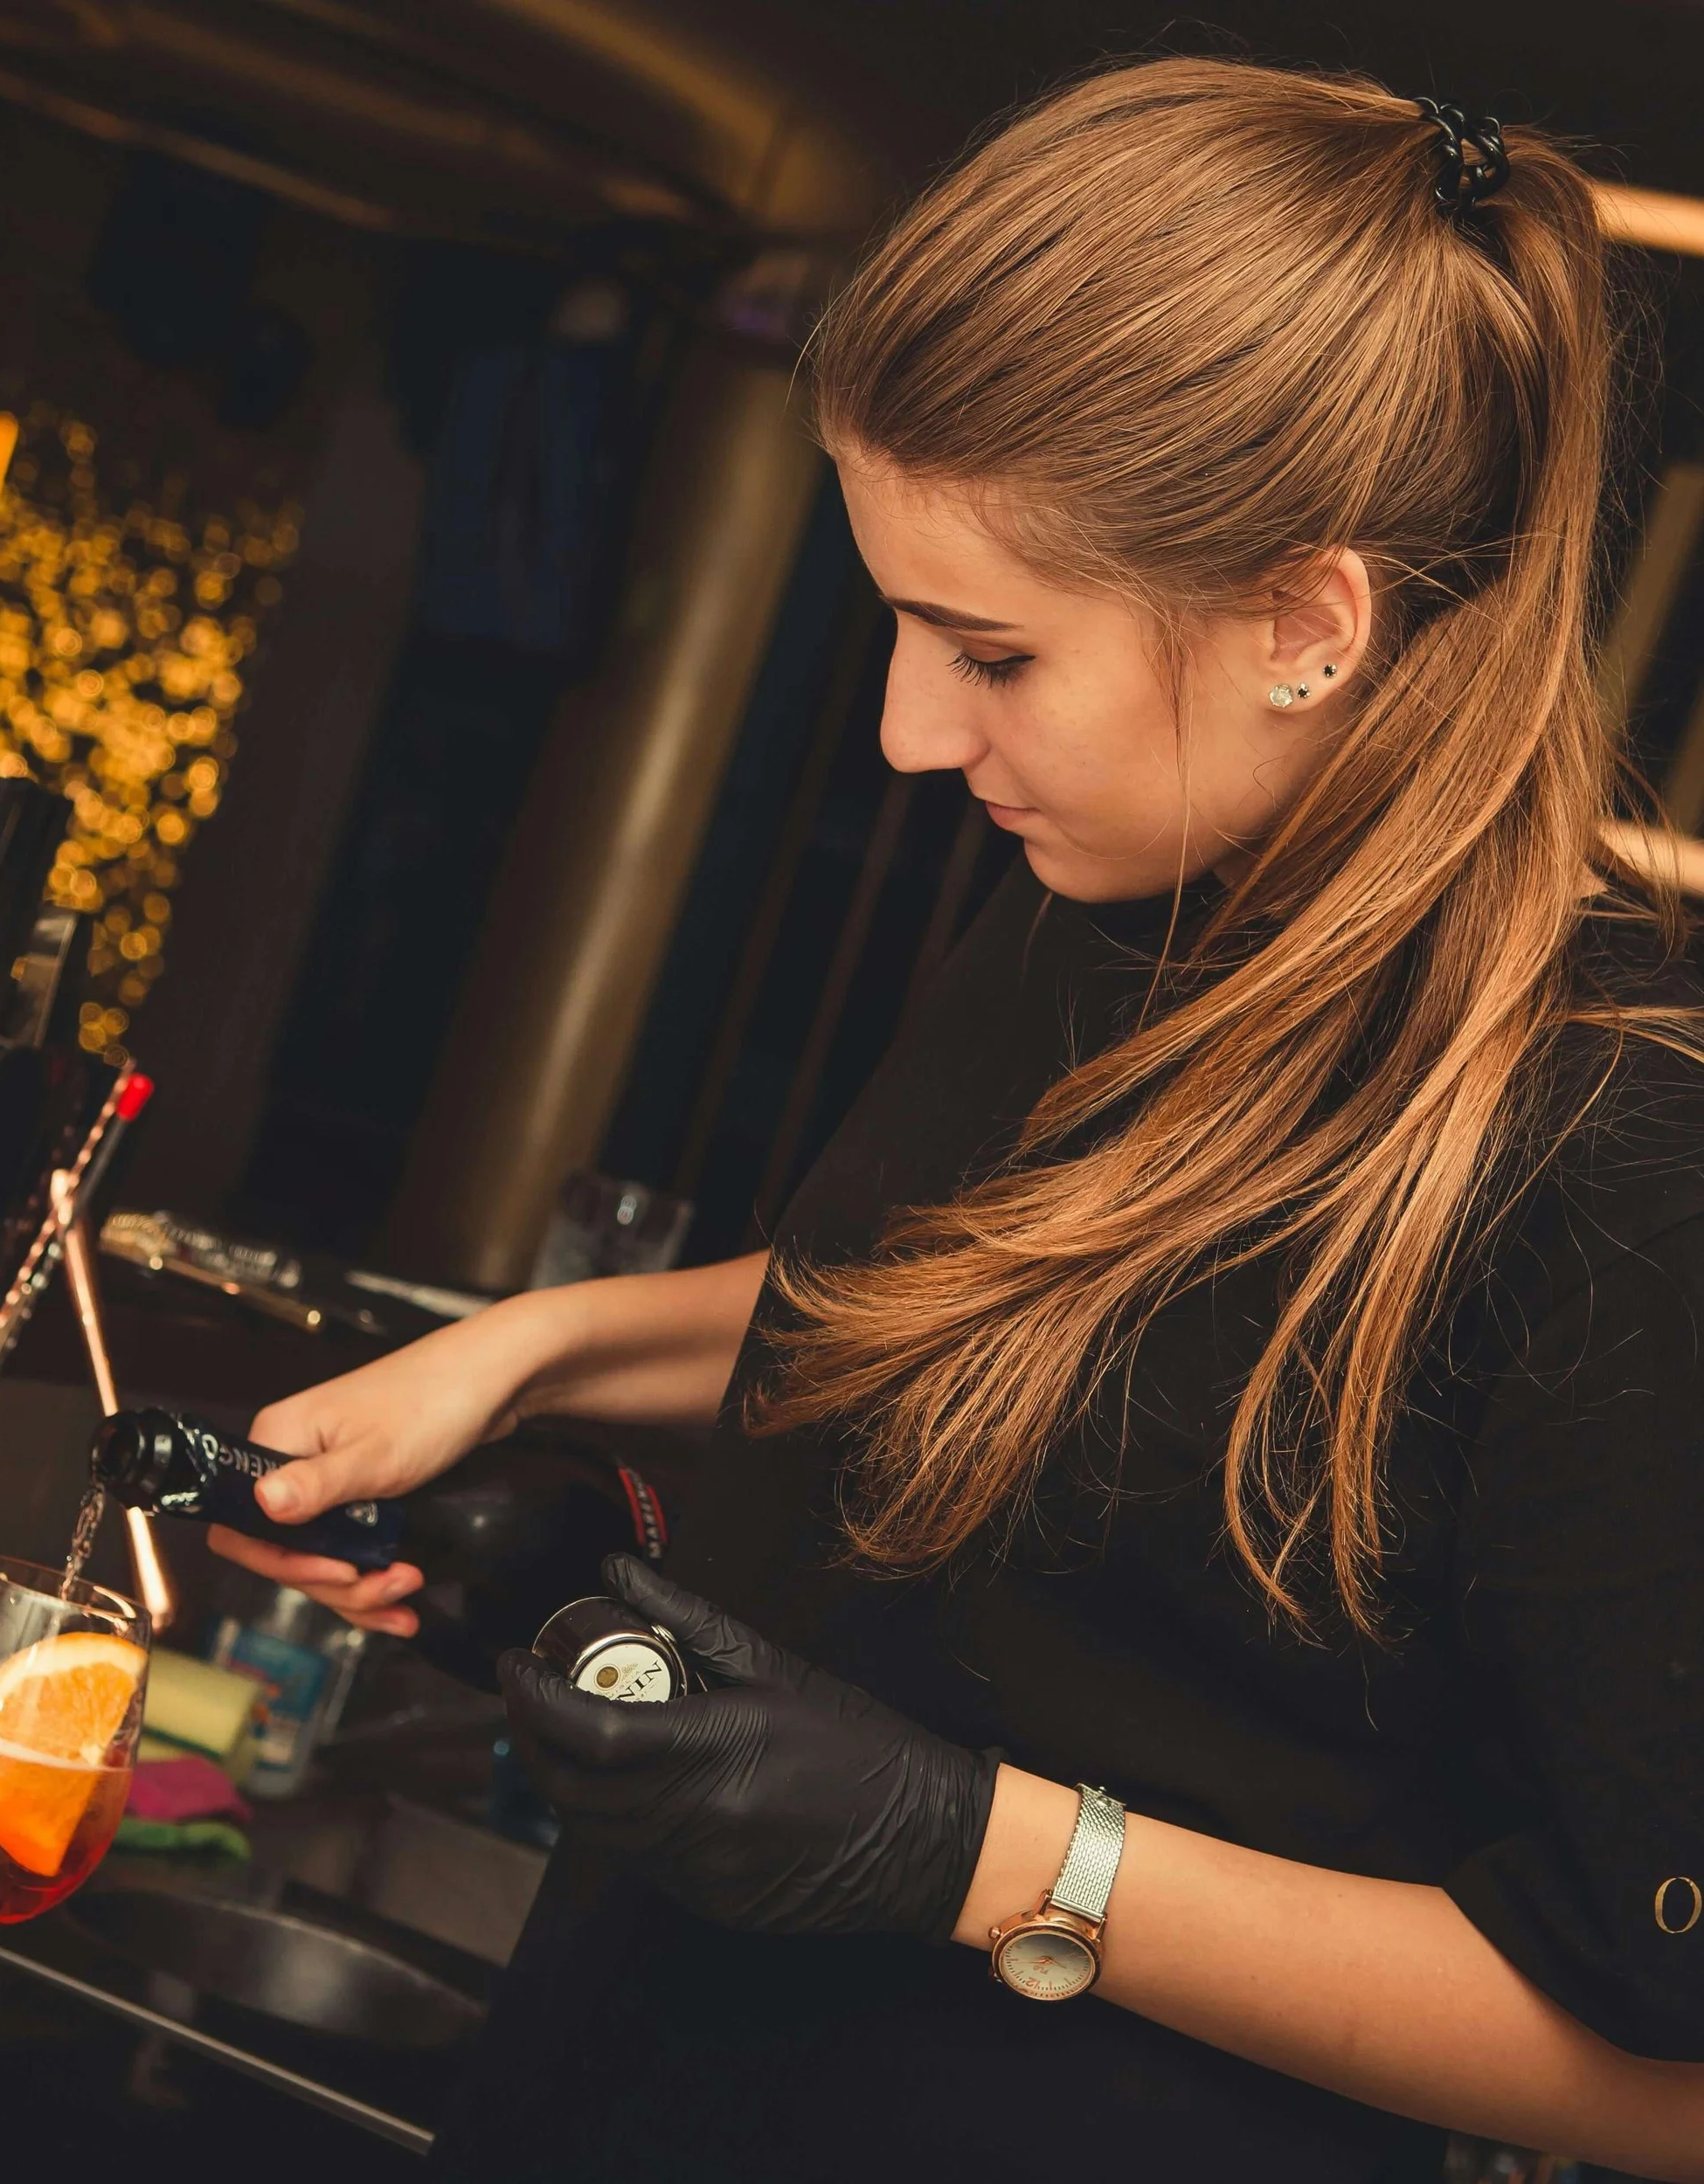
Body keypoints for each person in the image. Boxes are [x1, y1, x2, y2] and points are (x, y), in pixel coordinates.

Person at [213, 58, 1704, 2183]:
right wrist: (534, 1364)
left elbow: (1669, 2076)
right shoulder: (1095, 915)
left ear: (1306, 619)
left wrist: (980, 1850)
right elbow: (950, 1311)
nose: (914, 731)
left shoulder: (1625, 1153)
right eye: (895, 622)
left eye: (988, 650)